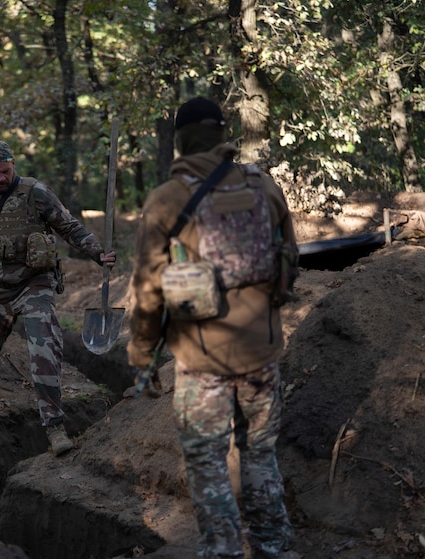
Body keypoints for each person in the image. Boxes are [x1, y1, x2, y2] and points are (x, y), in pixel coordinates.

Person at [127, 97, 299, 559]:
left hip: (201, 360)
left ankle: (222, 550)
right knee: (260, 453)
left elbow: (147, 288)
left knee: (207, 460)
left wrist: (142, 353)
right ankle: (274, 547)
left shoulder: (167, 199)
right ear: (223, 134)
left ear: (180, 142)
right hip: (261, 351)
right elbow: (290, 260)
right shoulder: (265, 186)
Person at [0, 140, 116, 456]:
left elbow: (69, 227)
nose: (1, 177)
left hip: (34, 285)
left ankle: (54, 427)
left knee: (44, 347)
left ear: (14, 166)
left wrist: (98, 252)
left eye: (6, 171)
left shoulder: (35, 192)